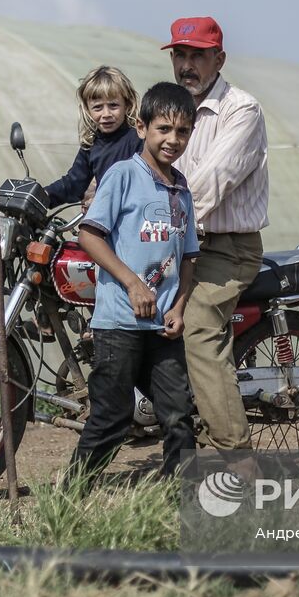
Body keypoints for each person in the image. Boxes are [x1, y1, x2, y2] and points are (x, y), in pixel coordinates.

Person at [66, 81, 202, 486]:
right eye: (163, 129)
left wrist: (178, 306)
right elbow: (89, 235)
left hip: (162, 326)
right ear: (141, 128)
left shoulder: (181, 187)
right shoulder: (123, 174)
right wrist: (132, 284)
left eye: (181, 132)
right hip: (120, 323)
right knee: (111, 416)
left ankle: (181, 501)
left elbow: (190, 256)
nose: (172, 140)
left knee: (178, 415)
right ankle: (70, 499)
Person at [162, 17, 269, 470]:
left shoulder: (240, 110)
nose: (187, 65)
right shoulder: (167, 109)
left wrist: (154, 217)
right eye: (180, 55)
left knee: (199, 325)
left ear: (219, 60)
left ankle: (239, 460)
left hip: (227, 248)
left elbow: (209, 181)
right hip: (176, 241)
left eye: (197, 56)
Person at [43, 66, 143, 207]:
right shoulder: (91, 144)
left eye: (113, 105)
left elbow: (142, 184)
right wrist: (43, 194)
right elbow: (74, 183)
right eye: (97, 107)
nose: (106, 114)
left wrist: (103, 201)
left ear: (127, 105)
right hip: (104, 220)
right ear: (87, 109)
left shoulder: (138, 139)